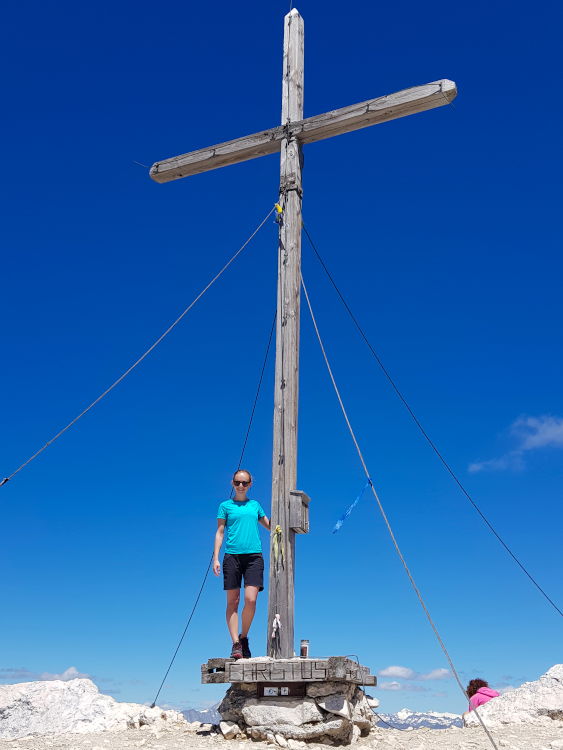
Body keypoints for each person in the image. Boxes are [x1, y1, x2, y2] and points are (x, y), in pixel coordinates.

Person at [213, 469, 270, 660]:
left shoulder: (255, 506)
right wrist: (215, 557)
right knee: (233, 601)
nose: (240, 486)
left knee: (251, 599)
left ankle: (243, 637)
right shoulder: (225, 506)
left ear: (250, 484)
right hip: (232, 557)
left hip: (254, 556)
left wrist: (283, 524)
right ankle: (235, 644)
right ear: (232, 483)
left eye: (244, 483)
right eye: (237, 482)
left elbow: (269, 524)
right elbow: (220, 532)